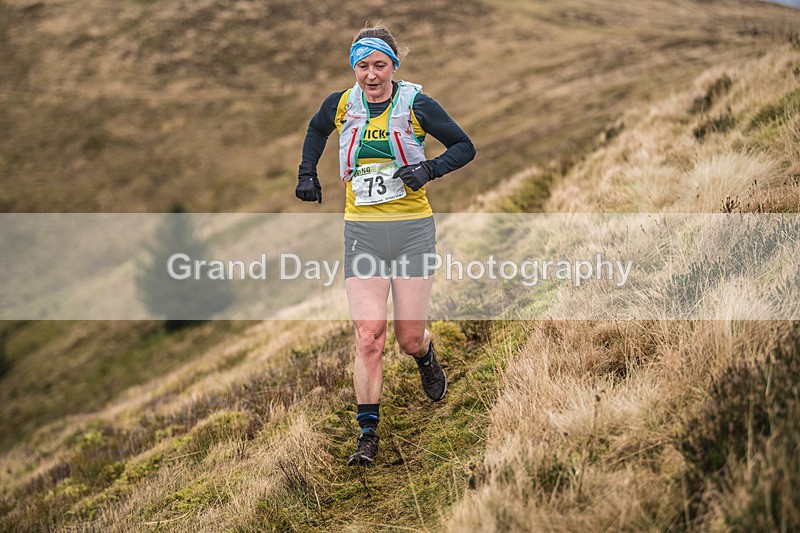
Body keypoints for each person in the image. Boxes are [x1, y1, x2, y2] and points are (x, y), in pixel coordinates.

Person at [295, 24, 476, 466]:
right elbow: (316, 131)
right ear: (354, 68)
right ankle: (368, 435)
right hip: (363, 233)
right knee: (367, 336)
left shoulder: (416, 104)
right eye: (363, 66)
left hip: (413, 231)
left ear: (393, 66)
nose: (371, 75)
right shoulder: (340, 105)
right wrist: (306, 173)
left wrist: (428, 171)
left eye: (379, 65)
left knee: (406, 337)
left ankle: (425, 355)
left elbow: (464, 146)